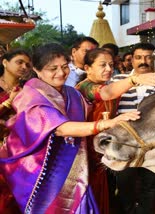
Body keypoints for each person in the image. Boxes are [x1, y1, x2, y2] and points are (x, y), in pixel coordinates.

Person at [0, 43, 142, 213]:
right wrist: (106, 123)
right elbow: (61, 128)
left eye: (65, 67)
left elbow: (95, 103)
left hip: (76, 167)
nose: (61, 73)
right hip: (41, 173)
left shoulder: (72, 93)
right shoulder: (31, 96)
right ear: (37, 70)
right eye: (53, 68)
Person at [75, 48, 155, 214]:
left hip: (105, 149)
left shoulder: (110, 83)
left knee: (110, 193)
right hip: (88, 151)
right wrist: (135, 79)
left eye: (111, 65)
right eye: (102, 65)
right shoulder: (85, 87)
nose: (109, 69)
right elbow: (105, 94)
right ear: (87, 68)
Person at [111, 42, 155, 213]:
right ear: (131, 60)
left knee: (151, 184)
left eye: (148, 57)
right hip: (124, 143)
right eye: (138, 57)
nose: (143, 61)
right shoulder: (118, 80)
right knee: (125, 183)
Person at [0, 49, 31, 213]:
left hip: (20, 148)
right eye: (19, 62)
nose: (24, 66)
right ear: (5, 62)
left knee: (19, 192)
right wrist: (8, 102)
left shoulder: (28, 88)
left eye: (27, 64)